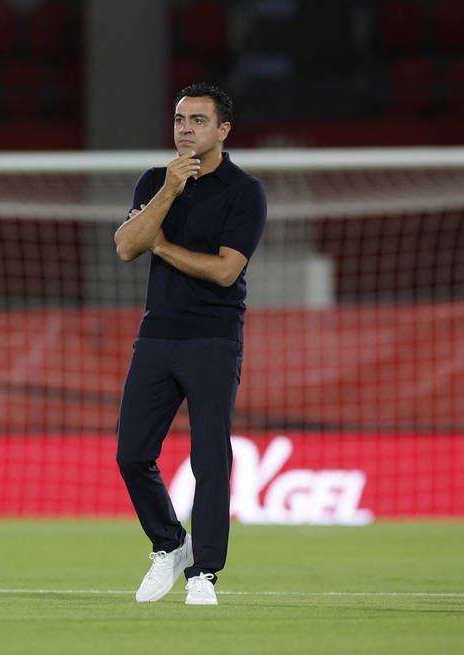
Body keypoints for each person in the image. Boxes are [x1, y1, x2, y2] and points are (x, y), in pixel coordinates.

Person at [113, 83, 267, 605]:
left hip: (213, 338)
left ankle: (204, 573)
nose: (185, 129)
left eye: (198, 121)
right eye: (180, 119)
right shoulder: (156, 181)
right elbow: (127, 247)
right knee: (131, 453)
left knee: (210, 459)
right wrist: (168, 193)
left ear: (223, 130)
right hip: (157, 334)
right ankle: (169, 545)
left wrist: (162, 244)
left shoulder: (244, 192)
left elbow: (226, 272)